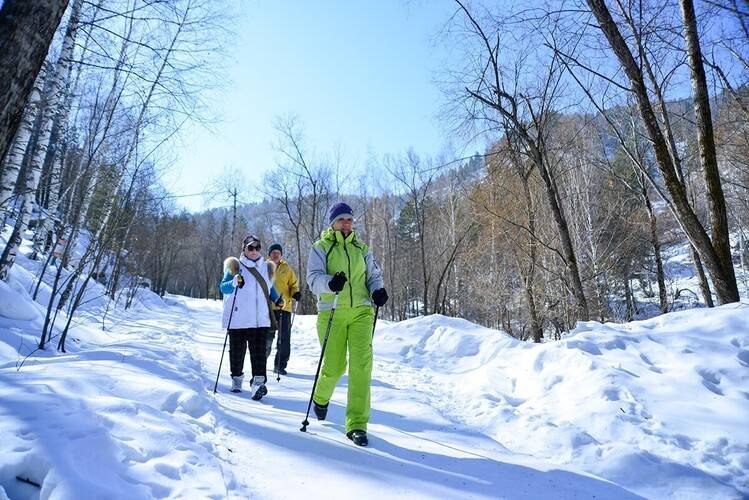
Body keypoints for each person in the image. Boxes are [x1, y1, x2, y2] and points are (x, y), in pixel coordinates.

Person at [306, 202, 388, 446]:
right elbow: (313, 279)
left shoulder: (362, 248)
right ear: (332, 223)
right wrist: (330, 284)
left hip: (362, 311)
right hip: (332, 311)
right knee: (334, 367)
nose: (346, 224)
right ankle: (320, 397)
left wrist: (377, 291)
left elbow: (373, 275)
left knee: (362, 365)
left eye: (349, 220)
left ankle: (357, 424)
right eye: (341, 219)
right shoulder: (321, 248)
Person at [220, 234, 283, 400]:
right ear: (244, 249)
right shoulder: (234, 266)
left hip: (259, 320)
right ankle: (236, 378)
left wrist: (277, 298)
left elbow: (269, 288)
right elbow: (223, 288)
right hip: (238, 319)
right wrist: (233, 281)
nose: (254, 251)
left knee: (259, 354)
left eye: (257, 248)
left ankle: (258, 384)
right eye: (250, 247)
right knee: (237, 353)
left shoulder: (267, 267)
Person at [267, 243, 301, 375]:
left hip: (284, 308)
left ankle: (280, 365)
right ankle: (261, 361)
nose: (275, 254)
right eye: (273, 252)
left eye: (278, 253)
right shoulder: (263, 267)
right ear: (269, 254)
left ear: (281, 255)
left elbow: (293, 285)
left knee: (284, 339)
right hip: (267, 308)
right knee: (267, 337)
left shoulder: (287, 269)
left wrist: (295, 293)